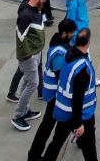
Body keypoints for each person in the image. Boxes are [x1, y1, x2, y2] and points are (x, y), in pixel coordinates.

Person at [39, 28, 97, 161]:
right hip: (79, 115)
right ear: (88, 42)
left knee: (57, 142)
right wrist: (78, 124)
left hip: (64, 111)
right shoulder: (82, 68)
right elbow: (78, 98)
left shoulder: (68, 55)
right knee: (90, 151)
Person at [25, 19, 77, 160]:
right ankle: (35, 155)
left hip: (55, 95)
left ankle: (34, 154)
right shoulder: (59, 53)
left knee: (48, 126)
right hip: (57, 97)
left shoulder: (58, 43)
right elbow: (62, 77)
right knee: (52, 128)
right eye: (71, 33)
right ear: (64, 33)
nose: (73, 35)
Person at [10, 0, 49, 131]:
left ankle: (25, 110)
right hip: (29, 56)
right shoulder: (26, 15)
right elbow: (20, 37)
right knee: (33, 83)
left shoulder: (33, 9)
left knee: (27, 81)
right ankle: (18, 115)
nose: (45, 1)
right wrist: (27, 56)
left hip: (35, 52)